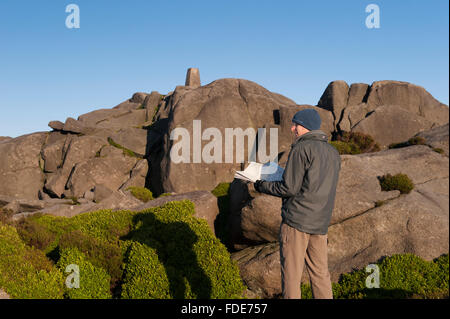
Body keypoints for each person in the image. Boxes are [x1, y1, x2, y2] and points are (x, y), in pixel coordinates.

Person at [254, 108, 341, 299]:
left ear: (305, 126)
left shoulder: (301, 148)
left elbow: (289, 188)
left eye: (295, 124)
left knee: (291, 276)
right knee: (320, 275)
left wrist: (261, 185)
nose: (292, 128)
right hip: (320, 223)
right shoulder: (333, 153)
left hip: (296, 223)